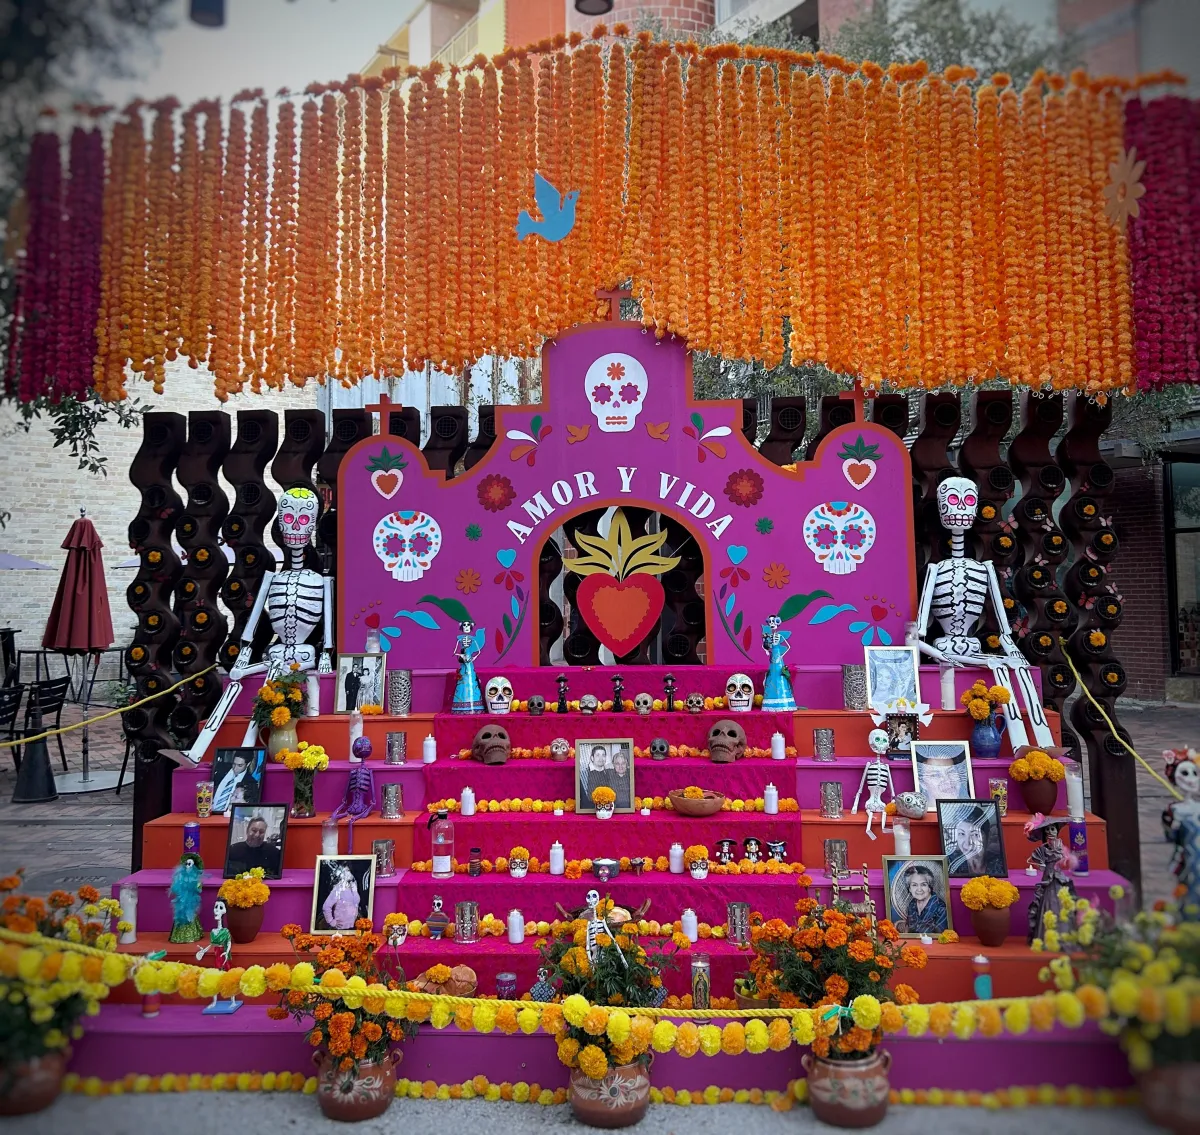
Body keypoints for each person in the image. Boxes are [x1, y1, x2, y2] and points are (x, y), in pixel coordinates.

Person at [893, 863, 949, 935]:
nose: (919, 889)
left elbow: (939, 934)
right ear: (909, 889)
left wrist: (908, 929)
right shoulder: (912, 904)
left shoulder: (941, 908)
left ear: (930, 887)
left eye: (923, 884)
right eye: (914, 885)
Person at [321, 862, 362, 931]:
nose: (347, 873)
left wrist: (354, 890)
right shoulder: (338, 888)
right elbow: (326, 906)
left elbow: (356, 902)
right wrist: (331, 921)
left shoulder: (353, 886)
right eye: (344, 871)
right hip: (341, 929)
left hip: (353, 927)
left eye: (348, 871)